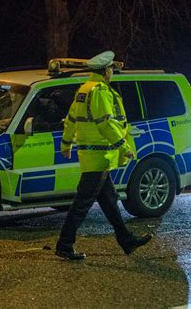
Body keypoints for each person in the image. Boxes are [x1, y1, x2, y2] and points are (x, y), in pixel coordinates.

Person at [55, 51, 152, 260]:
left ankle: (126, 240)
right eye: (111, 70)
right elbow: (106, 122)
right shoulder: (100, 92)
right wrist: (122, 145)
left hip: (92, 156)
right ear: (106, 71)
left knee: (110, 201)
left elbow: (71, 119)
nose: (112, 74)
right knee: (82, 204)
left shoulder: (84, 90)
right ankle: (64, 245)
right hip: (99, 156)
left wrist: (66, 143)